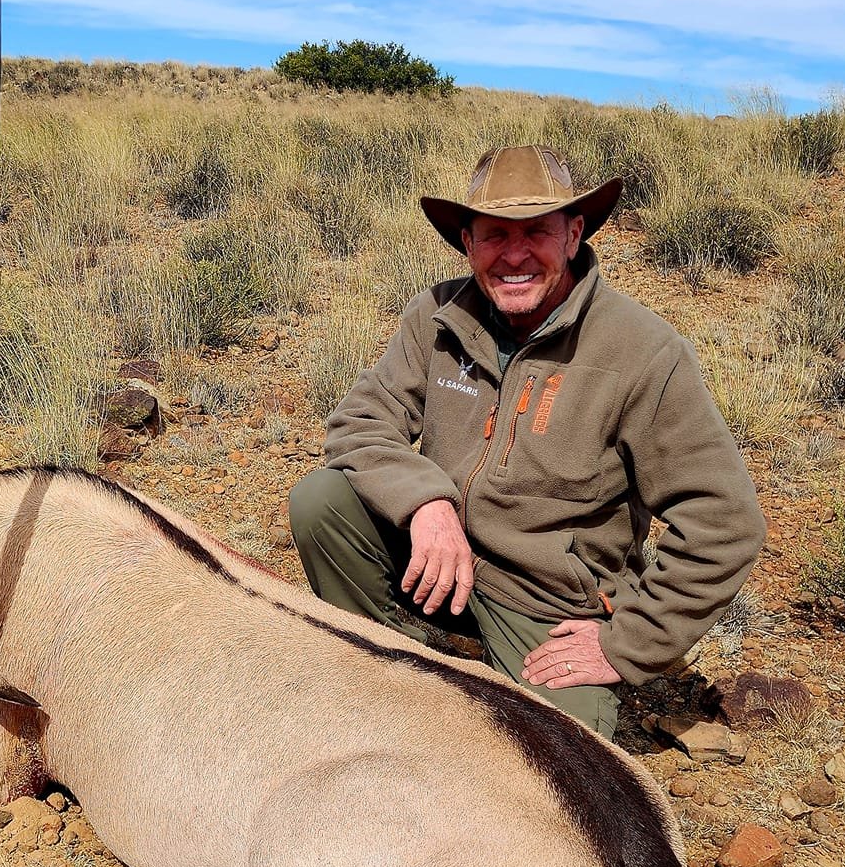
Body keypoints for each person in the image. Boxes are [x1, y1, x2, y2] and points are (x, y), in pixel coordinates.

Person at [289, 144, 765, 736]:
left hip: (545, 600)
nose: (515, 255)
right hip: (441, 556)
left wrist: (627, 642)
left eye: (536, 232)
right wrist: (425, 504)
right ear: (467, 243)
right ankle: (407, 662)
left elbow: (726, 521)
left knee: (563, 756)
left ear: (574, 233)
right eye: (494, 235)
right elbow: (360, 423)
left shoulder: (643, 352)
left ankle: (489, 673)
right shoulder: (436, 316)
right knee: (322, 503)